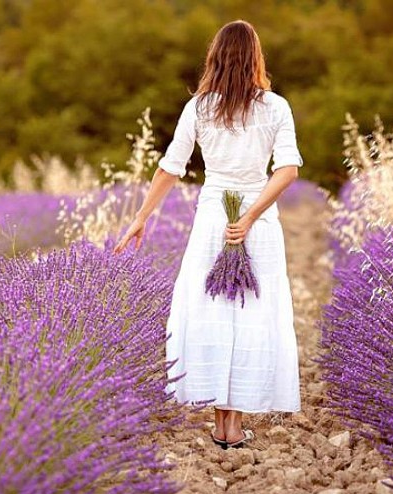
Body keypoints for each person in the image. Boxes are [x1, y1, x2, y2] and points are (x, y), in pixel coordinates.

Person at [113, 20, 302, 449]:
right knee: (252, 314)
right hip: (258, 220)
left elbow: (170, 168)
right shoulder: (276, 107)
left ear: (214, 57)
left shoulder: (199, 108)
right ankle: (233, 426)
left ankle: (221, 424)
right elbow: (288, 170)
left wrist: (141, 217)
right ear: (256, 57)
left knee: (214, 312)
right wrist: (252, 214)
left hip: (214, 218)